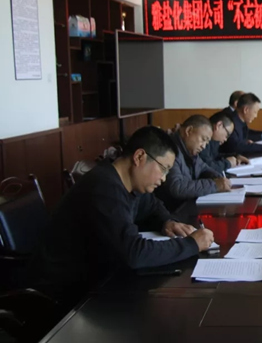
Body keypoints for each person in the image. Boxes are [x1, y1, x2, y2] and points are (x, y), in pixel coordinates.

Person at [30, 126, 214, 312]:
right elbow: (133, 253)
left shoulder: (127, 182)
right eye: (163, 169)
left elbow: (152, 206)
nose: (164, 178)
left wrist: (167, 222)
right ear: (139, 157)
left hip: (97, 278)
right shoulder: (104, 188)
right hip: (66, 294)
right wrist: (191, 244)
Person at [155, 115, 232, 211]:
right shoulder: (170, 150)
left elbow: (204, 168)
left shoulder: (190, 151)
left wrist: (217, 178)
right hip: (172, 211)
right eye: (203, 139)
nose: (203, 146)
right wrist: (214, 185)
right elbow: (177, 187)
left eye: (206, 143)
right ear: (189, 131)